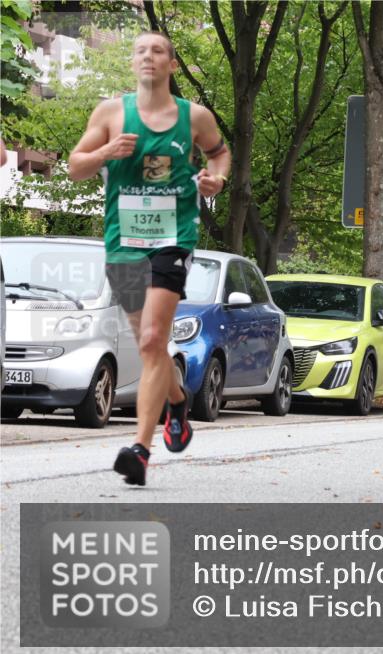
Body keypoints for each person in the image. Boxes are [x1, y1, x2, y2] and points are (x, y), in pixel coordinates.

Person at [69, 32, 229, 486]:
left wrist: (216, 180)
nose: (148, 57)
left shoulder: (193, 116)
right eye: (141, 50)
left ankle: (140, 451)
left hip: (171, 239)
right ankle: (177, 400)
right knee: (150, 343)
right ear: (133, 62)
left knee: (153, 337)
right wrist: (105, 151)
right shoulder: (110, 112)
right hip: (123, 243)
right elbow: (75, 166)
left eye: (158, 51)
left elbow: (219, 155)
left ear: (172, 65)